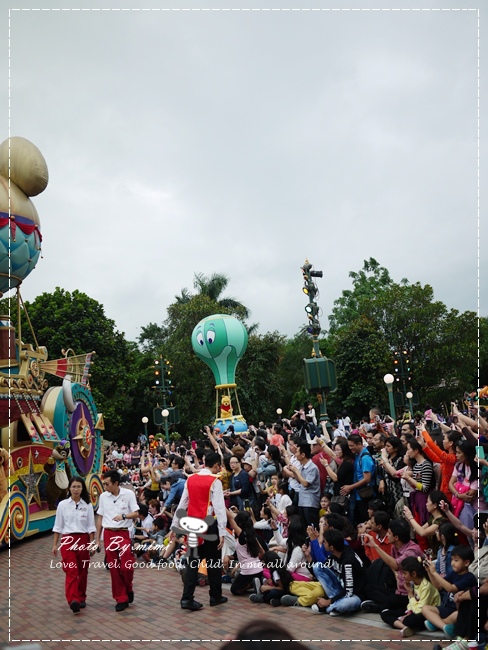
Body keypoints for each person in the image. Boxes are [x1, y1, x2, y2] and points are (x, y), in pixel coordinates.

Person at [172, 452, 228, 611]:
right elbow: (219, 509)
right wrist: (222, 532)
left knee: (192, 563)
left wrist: (174, 525)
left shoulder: (190, 479)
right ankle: (215, 596)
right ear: (216, 465)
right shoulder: (215, 481)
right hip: (209, 525)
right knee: (213, 562)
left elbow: (182, 504)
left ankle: (187, 598)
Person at [95, 469, 139, 612]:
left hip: (123, 533)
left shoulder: (129, 494)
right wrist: (97, 540)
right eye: (104, 484)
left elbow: (136, 513)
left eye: (107, 484)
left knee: (126, 566)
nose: (105, 487)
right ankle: (121, 598)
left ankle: (128, 588)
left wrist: (124, 516)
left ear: (116, 483)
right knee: (113, 568)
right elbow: (100, 518)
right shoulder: (103, 497)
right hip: (108, 533)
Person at [52, 475, 96, 613]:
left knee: (82, 571)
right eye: (73, 486)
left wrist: (92, 543)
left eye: (78, 486)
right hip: (68, 540)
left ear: (82, 488)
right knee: (71, 570)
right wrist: (55, 545)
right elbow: (58, 526)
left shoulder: (87, 505)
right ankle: (73, 600)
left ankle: (81, 597)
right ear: (69, 488)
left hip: (83, 540)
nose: (76, 489)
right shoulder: (62, 505)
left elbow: (91, 527)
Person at [380, 556, 440, 637]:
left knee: (409, 620)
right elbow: (411, 605)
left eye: (404, 573)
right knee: (385, 613)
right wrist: (408, 612)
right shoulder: (414, 583)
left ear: (414, 574)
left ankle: (407, 625)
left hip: (425, 614)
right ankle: (405, 627)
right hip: (414, 610)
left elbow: (419, 610)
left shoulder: (426, 586)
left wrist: (410, 594)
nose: (403, 576)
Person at [310, 529, 366, 616]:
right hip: (341, 588)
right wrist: (308, 558)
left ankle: (327, 607)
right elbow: (323, 566)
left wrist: (329, 601)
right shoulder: (335, 554)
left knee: (343, 605)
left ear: (331, 547)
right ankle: (333, 605)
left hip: (354, 594)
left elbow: (348, 591)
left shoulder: (348, 561)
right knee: (318, 566)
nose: (323, 544)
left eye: (325, 542)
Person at [286, 443, 320, 528]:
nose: (295, 454)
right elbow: (299, 481)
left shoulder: (313, 467)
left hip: (310, 502)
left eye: (297, 452)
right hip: (302, 501)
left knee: (312, 527)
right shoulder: (302, 466)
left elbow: (305, 483)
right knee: (304, 527)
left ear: (303, 455)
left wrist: (296, 471)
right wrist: (293, 471)